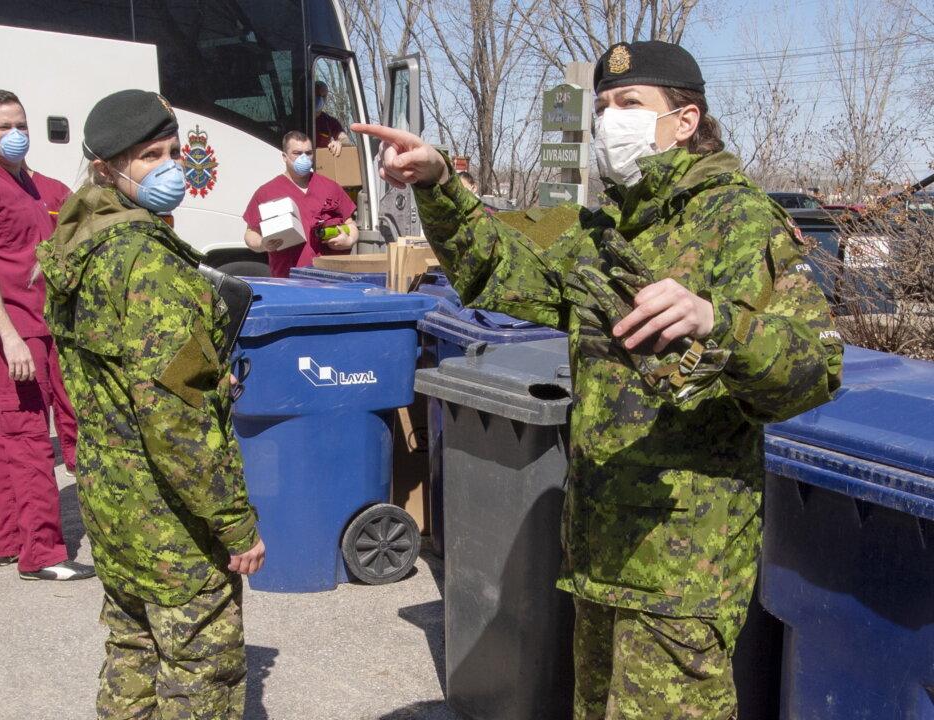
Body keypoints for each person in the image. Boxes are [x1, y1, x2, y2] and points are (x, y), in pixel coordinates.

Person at [354, 40, 843, 720]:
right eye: (605, 106)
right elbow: (503, 270)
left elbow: (815, 370)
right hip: (598, 554)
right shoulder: (606, 227)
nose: (610, 121)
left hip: (679, 572)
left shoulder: (740, 221)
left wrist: (718, 321)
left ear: (685, 120)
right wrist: (438, 184)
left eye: (630, 105)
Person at [37, 89, 266, 719]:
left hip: (111, 500)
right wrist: (234, 521)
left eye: (172, 151)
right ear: (108, 168)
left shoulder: (77, 244)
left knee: (133, 647)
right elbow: (179, 419)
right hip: (168, 514)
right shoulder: (149, 265)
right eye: (150, 156)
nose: (169, 168)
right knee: (201, 666)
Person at [0, 89, 92, 582]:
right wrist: (8, 336)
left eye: (21, 125)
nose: (16, 135)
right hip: (11, 333)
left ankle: (8, 541)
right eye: (4, 127)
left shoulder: (41, 188)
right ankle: (42, 554)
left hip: (47, 327)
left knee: (10, 433)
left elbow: (82, 215)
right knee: (29, 436)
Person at [243, 131, 358, 278]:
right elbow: (250, 233)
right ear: (284, 157)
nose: (304, 158)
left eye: (308, 153)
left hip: (331, 279)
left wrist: (348, 240)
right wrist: (262, 244)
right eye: (297, 153)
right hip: (288, 280)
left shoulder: (330, 187)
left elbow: (351, 225)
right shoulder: (266, 192)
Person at [314, 80, 352, 157]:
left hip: (322, 162)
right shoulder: (295, 119)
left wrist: (339, 143)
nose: (319, 99)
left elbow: (345, 140)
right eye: (317, 95)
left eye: (323, 96)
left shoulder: (330, 121)